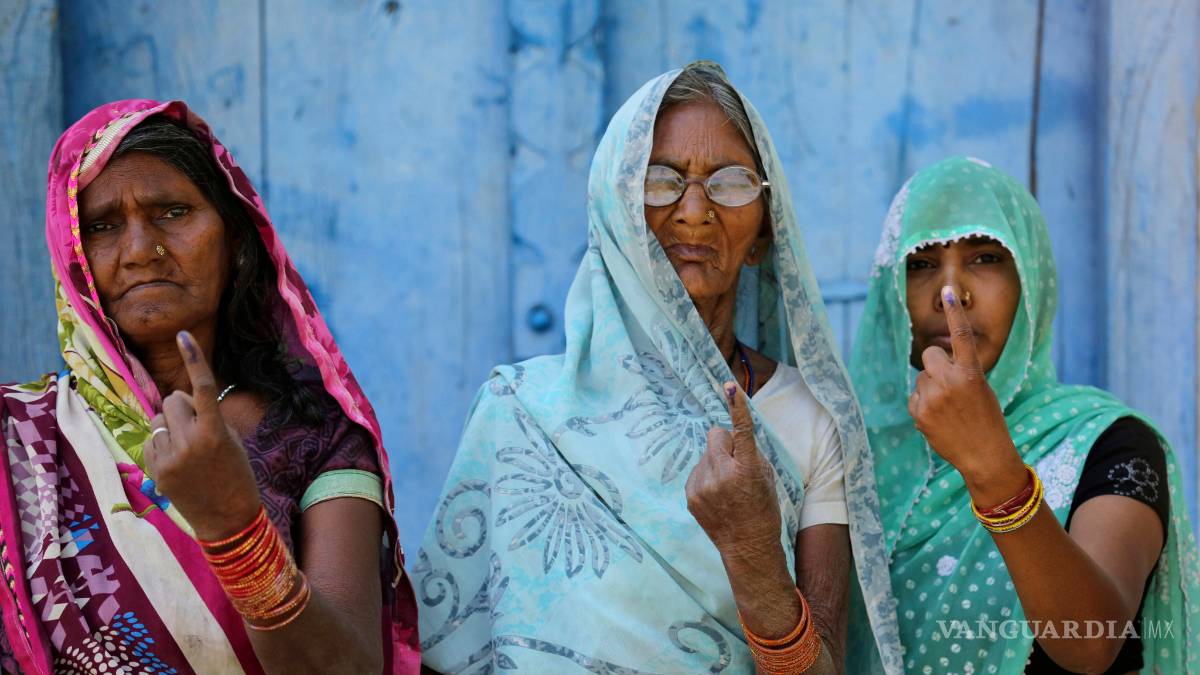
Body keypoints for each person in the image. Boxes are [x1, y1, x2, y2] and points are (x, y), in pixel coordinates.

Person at [415, 62, 901, 674]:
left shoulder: (808, 420)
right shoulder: (519, 410)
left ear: (762, 235)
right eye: (660, 180)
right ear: (615, 213)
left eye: (730, 183)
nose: (694, 211)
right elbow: (443, 652)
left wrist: (754, 558)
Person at [0, 100, 420, 673]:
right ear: (74, 260)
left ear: (237, 241)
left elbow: (348, 667)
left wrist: (233, 525)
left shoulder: (316, 440)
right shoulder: (21, 442)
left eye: (173, 212)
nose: (140, 250)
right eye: (101, 226)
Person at [850, 156, 1200, 674]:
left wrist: (991, 465)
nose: (951, 293)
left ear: (1031, 279)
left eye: (986, 257)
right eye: (920, 263)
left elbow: (1090, 642)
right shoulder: (851, 458)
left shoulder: (1108, 443)